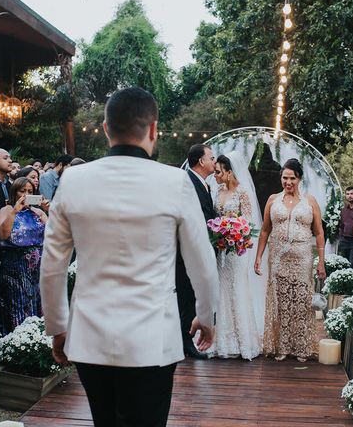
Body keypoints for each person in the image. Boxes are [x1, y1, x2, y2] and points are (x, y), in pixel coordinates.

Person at [40, 87, 219, 426]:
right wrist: (205, 316)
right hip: (152, 339)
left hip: (91, 336)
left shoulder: (74, 179)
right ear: (154, 130)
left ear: (106, 129)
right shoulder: (175, 181)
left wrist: (58, 327)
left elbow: (53, 265)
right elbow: (202, 261)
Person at [254, 159, 326, 362]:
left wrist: (321, 261)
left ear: (299, 178)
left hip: (302, 257)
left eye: (292, 178)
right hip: (277, 258)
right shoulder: (272, 200)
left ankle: (301, 347)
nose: (288, 182)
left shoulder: (310, 201)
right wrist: (258, 256)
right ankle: (282, 346)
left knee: (302, 300)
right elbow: (265, 230)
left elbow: (319, 233)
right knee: (281, 301)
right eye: (285, 178)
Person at [207, 152, 263, 360]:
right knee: (222, 291)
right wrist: (220, 232)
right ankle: (222, 341)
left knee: (237, 289)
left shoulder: (242, 193)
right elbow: (215, 218)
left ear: (230, 172)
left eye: (219, 172)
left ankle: (242, 342)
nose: (216, 175)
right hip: (221, 249)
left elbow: (248, 223)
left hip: (237, 252)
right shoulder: (218, 190)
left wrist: (232, 229)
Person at [176, 144, 216, 359]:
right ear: (201, 161)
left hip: (199, 249)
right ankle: (185, 343)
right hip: (186, 252)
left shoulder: (204, 184)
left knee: (191, 295)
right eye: (211, 158)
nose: (214, 162)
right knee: (186, 298)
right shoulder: (186, 182)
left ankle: (186, 340)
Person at [0, 178, 47, 335]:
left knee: (36, 303)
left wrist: (46, 212)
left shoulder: (38, 213)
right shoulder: (6, 210)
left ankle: (34, 340)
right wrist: (15, 211)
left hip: (37, 267)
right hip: (15, 267)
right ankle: (15, 339)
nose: (26, 195)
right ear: (14, 192)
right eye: (22, 191)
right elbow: (2, 234)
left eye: (30, 192)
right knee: (16, 304)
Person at [338, 186, 353, 268]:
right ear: (345, 195)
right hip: (344, 240)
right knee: (343, 263)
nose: (350, 196)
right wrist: (341, 236)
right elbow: (341, 225)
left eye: (352, 194)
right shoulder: (344, 210)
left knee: (352, 263)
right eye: (347, 194)